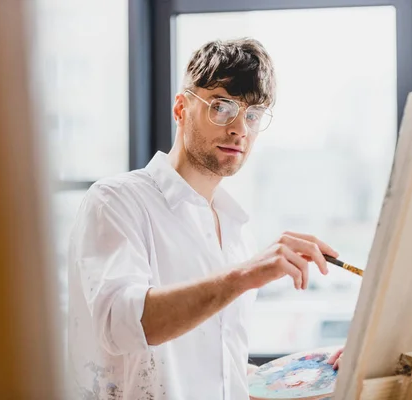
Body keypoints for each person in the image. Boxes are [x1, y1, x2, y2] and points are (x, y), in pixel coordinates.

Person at [67, 38, 343, 400]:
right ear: (181, 108)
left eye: (254, 114)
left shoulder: (235, 229)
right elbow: (122, 324)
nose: (240, 128)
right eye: (222, 107)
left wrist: (309, 374)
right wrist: (246, 276)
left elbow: (214, 370)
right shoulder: (116, 201)